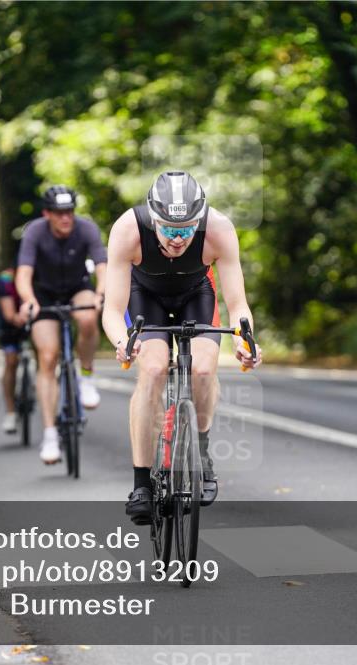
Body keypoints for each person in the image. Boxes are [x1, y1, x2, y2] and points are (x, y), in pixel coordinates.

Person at [100, 171, 262, 525]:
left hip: (195, 295)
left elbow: (237, 306)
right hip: (146, 298)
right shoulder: (127, 230)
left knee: (203, 369)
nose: (178, 239)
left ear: (200, 220)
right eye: (170, 230)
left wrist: (243, 339)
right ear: (153, 218)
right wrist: (122, 342)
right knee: (154, 369)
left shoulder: (219, 228)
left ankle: (201, 452)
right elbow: (112, 310)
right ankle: (142, 483)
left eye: (188, 229)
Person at [16, 185, 107, 464]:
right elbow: (23, 274)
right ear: (47, 214)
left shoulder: (87, 229)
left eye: (69, 212)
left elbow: (103, 266)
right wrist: (29, 300)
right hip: (43, 294)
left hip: (76, 288)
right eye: (59, 213)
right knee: (48, 356)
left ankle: (87, 377)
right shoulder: (34, 232)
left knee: (89, 316)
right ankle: (50, 435)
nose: (65, 218)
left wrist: (101, 293)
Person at [0, 264, 26, 433]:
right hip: (10, 325)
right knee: (11, 361)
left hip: (35, 320)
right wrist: (18, 319)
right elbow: (8, 314)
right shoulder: (4, 279)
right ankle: (10, 412)